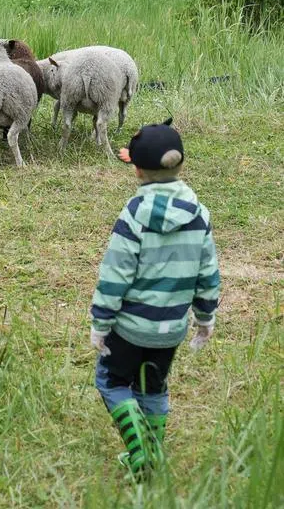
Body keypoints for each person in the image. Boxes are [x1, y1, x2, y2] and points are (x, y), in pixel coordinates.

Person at [88, 118, 221, 475]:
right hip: (171, 330)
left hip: (130, 327)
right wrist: (205, 319)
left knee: (112, 382)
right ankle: (151, 455)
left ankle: (140, 453)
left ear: (136, 170)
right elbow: (208, 273)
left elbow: (114, 274)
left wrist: (100, 323)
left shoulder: (134, 215)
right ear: (182, 165)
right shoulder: (199, 214)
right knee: (153, 388)